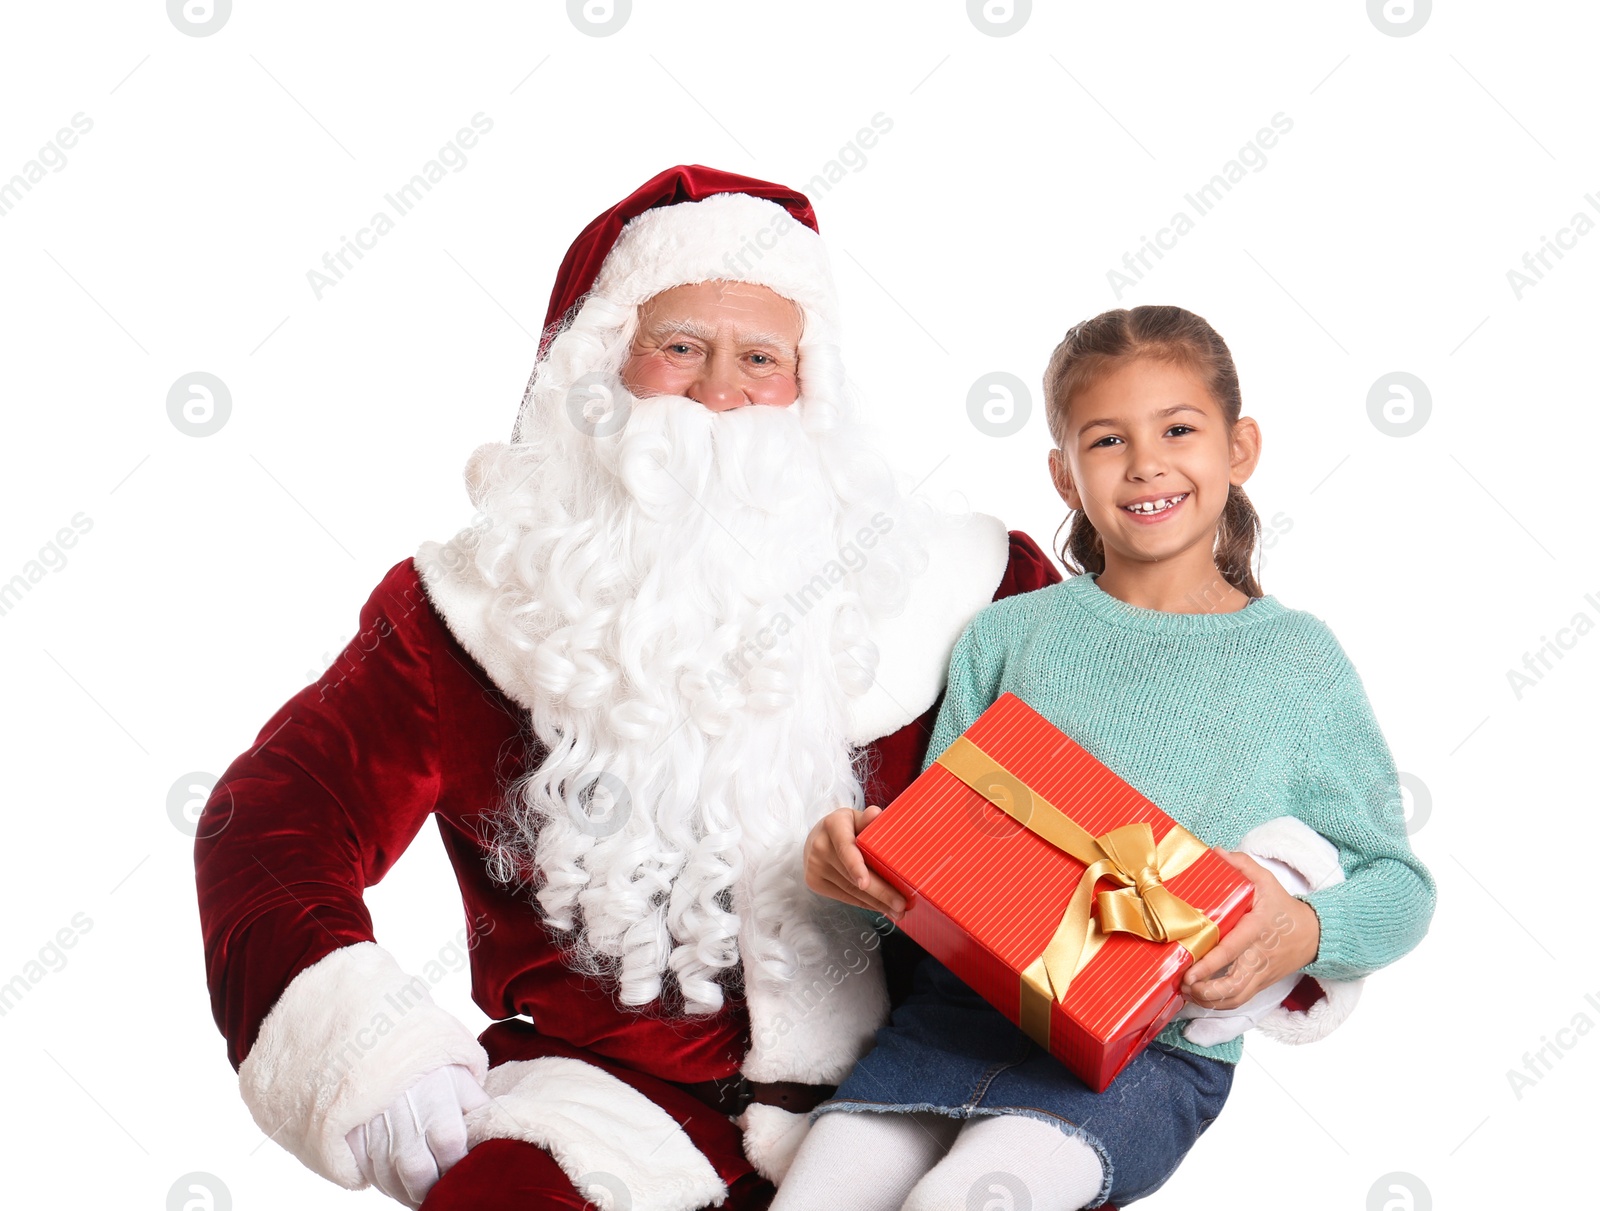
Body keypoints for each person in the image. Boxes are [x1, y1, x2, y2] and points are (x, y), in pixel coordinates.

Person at [192, 166, 1064, 1211]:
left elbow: (1130, 787)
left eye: (761, 358)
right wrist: (368, 1051)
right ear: (601, 370)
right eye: (680, 347)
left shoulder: (964, 586)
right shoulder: (465, 612)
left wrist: (1284, 928)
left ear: (810, 386)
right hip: (602, 1100)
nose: (719, 390)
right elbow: (270, 822)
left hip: (918, 1089)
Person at [789, 304, 1436, 1210]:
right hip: (952, 1024)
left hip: (1151, 1054)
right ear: (1063, 474)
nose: (1146, 462)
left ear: (1239, 447)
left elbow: (1399, 885)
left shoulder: (1298, 663)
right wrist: (856, 865)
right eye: (1106, 440)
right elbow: (936, 866)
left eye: (1178, 428)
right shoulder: (1007, 637)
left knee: (964, 1200)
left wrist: (1304, 928)